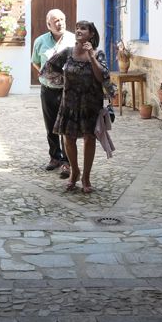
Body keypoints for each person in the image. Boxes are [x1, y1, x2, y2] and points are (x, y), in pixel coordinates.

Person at [45, 20, 114, 194]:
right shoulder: (68, 53)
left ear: (91, 33)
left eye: (83, 28)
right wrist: (62, 81)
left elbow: (101, 77)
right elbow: (49, 67)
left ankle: (86, 177)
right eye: (77, 28)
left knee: (89, 138)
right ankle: (74, 171)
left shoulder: (98, 54)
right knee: (69, 138)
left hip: (90, 104)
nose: (78, 30)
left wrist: (91, 56)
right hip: (69, 103)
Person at [30, 9, 75, 178]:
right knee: (51, 126)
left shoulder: (73, 39)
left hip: (68, 91)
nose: (60, 23)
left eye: (62, 19)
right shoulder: (40, 41)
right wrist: (46, 73)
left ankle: (67, 162)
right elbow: (35, 62)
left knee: (67, 127)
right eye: (56, 20)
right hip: (48, 90)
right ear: (48, 24)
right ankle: (54, 157)